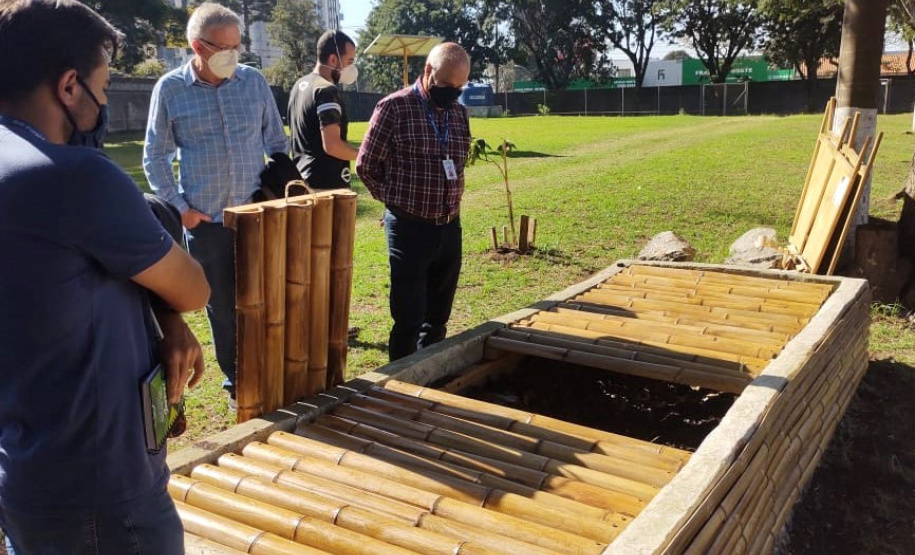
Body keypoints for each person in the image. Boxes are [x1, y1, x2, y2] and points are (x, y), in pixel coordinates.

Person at [0, 0, 211, 552]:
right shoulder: (75, 178)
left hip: (25, 475)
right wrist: (172, 308)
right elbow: (192, 288)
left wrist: (162, 318)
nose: (102, 104)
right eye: (103, 86)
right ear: (69, 86)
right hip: (104, 497)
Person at [144, 2, 288, 406]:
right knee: (222, 306)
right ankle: (237, 381)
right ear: (197, 47)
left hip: (259, 216)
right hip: (206, 223)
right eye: (223, 48)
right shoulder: (170, 89)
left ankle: (273, 367)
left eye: (237, 47)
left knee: (268, 296)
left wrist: (277, 193)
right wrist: (180, 208)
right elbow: (154, 155)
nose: (233, 55)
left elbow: (277, 143)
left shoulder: (254, 82)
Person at [356, 43, 471, 361]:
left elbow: (458, 164)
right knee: (408, 319)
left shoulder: (460, 114)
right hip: (409, 229)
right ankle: (401, 388)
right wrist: (394, 202)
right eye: (447, 85)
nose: (453, 93)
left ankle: (430, 375)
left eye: (459, 87)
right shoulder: (394, 108)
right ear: (428, 73)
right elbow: (366, 166)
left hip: (449, 227)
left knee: (438, 319)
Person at [288, 30, 359, 190]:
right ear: (333, 59)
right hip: (326, 185)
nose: (351, 68)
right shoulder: (326, 90)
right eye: (349, 61)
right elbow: (332, 145)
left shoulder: (299, 85)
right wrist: (365, 155)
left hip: (302, 180)